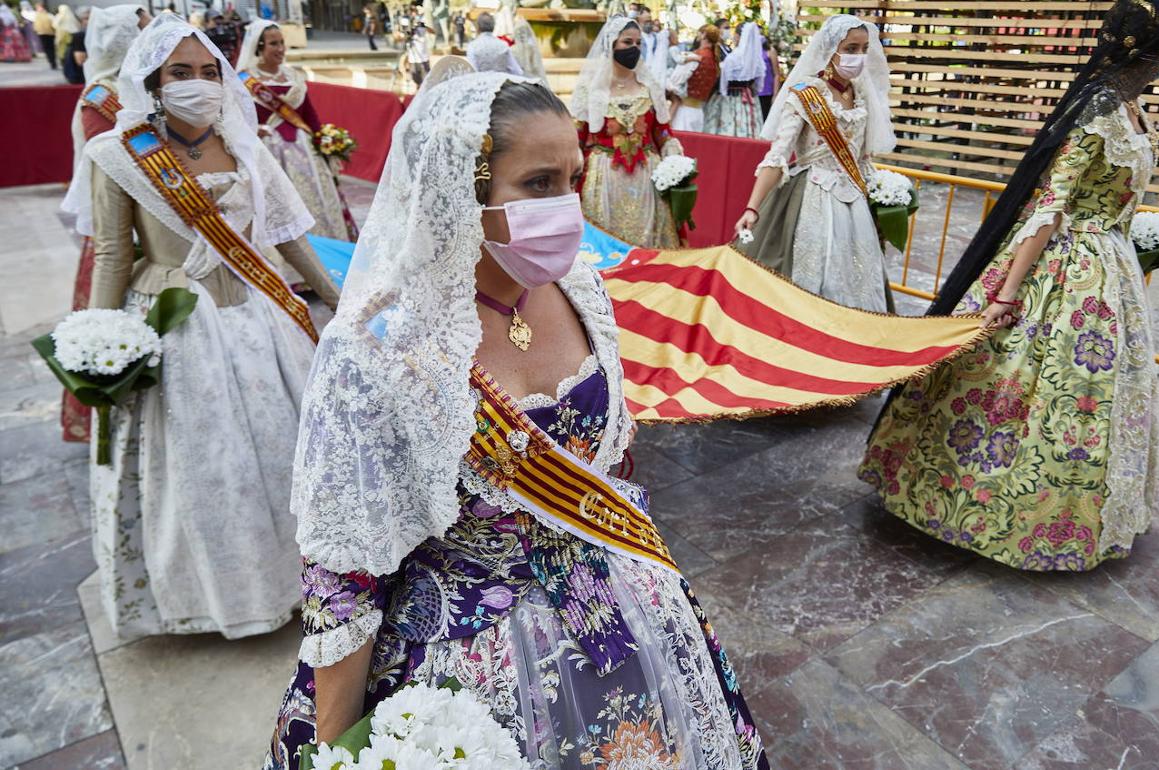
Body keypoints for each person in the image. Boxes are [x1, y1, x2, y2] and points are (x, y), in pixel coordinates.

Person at [263, 70, 768, 770]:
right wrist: (334, 751)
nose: (565, 205)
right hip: (468, 662)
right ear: (460, 191)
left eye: (572, 178)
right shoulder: (378, 349)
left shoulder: (583, 290)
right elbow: (344, 579)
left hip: (620, 603)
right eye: (538, 183)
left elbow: (612, 468)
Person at [859, 0, 1159, 572]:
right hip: (1068, 267)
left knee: (1090, 399)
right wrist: (1007, 293)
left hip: (1106, 267)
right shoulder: (1098, 114)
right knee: (1012, 386)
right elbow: (1049, 206)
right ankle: (979, 509)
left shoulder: (1133, 110)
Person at [61, 15, 340, 639]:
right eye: (180, 74)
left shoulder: (243, 143)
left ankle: (304, 580)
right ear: (152, 83)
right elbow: (112, 253)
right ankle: (218, 598)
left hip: (257, 315)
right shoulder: (118, 154)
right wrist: (101, 346)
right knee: (204, 470)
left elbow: (287, 235)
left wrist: (333, 299)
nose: (198, 84)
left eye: (209, 73)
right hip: (174, 323)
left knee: (282, 454)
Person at [734, 15, 896, 312]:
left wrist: (886, 195)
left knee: (859, 277)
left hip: (854, 201)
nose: (858, 56)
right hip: (813, 196)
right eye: (851, 48)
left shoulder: (860, 95)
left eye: (863, 49)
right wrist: (752, 207)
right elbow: (778, 154)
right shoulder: (807, 94)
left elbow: (863, 158)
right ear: (831, 48)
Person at [59, 3, 149, 444]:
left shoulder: (136, 86)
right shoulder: (101, 97)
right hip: (122, 229)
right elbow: (112, 169)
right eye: (144, 29)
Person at [236, 19, 357, 241]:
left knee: (317, 200)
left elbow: (309, 116)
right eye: (273, 43)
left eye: (282, 43)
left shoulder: (294, 77)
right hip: (267, 153)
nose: (280, 49)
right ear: (259, 46)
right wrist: (254, 130)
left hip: (304, 153)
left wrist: (324, 143)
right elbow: (236, 120)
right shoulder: (244, 80)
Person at [573, 17, 683, 248]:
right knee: (605, 246)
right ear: (611, 44)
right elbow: (578, 139)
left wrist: (674, 157)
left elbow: (662, 132)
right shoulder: (591, 90)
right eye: (627, 42)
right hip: (603, 180)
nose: (634, 48)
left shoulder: (650, 87)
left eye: (638, 43)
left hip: (646, 179)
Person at [703, 21, 765, 138]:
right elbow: (759, 84)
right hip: (748, 96)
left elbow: (723, 84)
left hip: (731, 98)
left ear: (738, 36)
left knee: (727, 128)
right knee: (750, 128)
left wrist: (722, 93)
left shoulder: (733, 58)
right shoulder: (757, 60)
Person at [669, 24, 719, 133]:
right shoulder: (714, 60)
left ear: (704, 35)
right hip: (699, 112)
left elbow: (675, 82)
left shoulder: (694, 57)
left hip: (683, 112)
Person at [511, 14, 546, 85]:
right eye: (519, 32)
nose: (521, 35)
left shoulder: (513, 49)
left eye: (523, 32)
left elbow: (536, 64)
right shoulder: (513, 49)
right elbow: (536, 65)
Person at [61, 5, 88, 84]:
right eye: (86, 18)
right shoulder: (80, 36)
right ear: (79, 21)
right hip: (82, 77)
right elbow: (80, 61)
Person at [405, 19, 431, 87]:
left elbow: (433, 31)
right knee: (416, 79)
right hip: (414, 60)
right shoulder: (411, 35)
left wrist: (424, 26)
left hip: (423, 59)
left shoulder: (423, 32)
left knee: (427, 78)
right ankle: (418, 88)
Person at [759, 35, 780, 118]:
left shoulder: (769, 51)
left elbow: (777, 74)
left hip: (767, 93)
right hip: (753, 94)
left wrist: (775, 95)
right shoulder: (749, 51)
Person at [32, 1, 54, 67]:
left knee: (49, 48)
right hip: (44, 34)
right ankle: (51, 61)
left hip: (49, 33)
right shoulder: (38, 15)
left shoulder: (47, 15)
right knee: (48, 48)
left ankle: (52, 61)